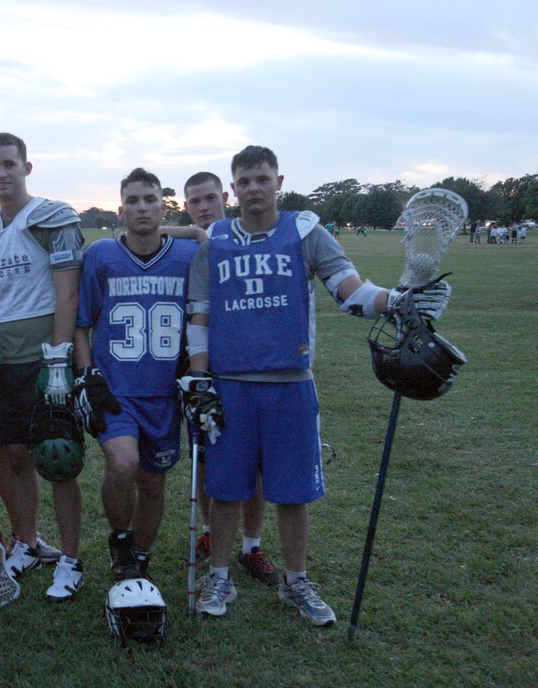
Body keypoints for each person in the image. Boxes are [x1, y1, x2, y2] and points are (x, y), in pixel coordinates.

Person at [183, 145, 450, 627]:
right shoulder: (215, 240)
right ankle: (220, 574)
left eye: (262, 179)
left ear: (279, 181)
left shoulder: (306, 231)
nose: (253, 189)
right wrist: (200, 379)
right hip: (229, 385)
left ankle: (296, 580)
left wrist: (398, 300)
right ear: (233, 188)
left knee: (293, 491)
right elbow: (199, 315)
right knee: (225, 490)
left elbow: (351, 293)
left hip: (290, 382)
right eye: (244, 181)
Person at [0, 132, 85, 602]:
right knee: (10, 457)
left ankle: (71, 558)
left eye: (9, 164)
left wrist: (59, 357)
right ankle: (27, 541)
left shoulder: (50, 217)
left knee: (58, 458)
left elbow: (68, 291)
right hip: (2, 361)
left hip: (42, 357)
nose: (0, 173)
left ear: (27, 168)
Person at [73, 168, 200, 583]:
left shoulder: (187, 257)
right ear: (120, 207)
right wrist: (87, 373)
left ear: (163, 206)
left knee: (153, 482)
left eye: (149, 199)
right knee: (123, 464)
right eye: (133, 200)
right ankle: (121, 538)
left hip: (164, 392)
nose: (141, 207)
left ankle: (139, 557)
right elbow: (81, 323)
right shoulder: (101, 256)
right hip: (116, 390)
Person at [182, 172, 279, 587]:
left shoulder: (245, 238)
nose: (203, 207)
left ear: (226, 196)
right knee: (205, 457)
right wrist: (189, 231)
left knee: (254, 465)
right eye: (194, 202)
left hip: (246, 363)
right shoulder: (187, 243)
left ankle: (251, 545)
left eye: (209, 199)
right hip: (198, 366)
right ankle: (209, 532)